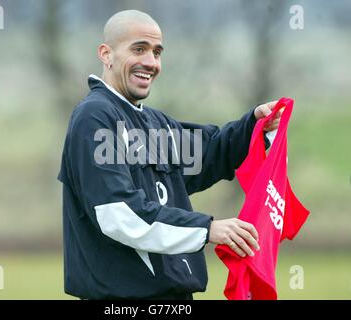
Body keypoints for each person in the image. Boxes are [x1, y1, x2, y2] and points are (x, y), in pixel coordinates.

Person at [57, 10, 281, 300]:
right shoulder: (95, 116)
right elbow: (118, 213)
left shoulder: (154, 122)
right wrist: (207, 228)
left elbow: (211, 152)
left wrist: (255, 125)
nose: (150, 62)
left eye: (157, 52)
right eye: (139, 49)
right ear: (106, 54)